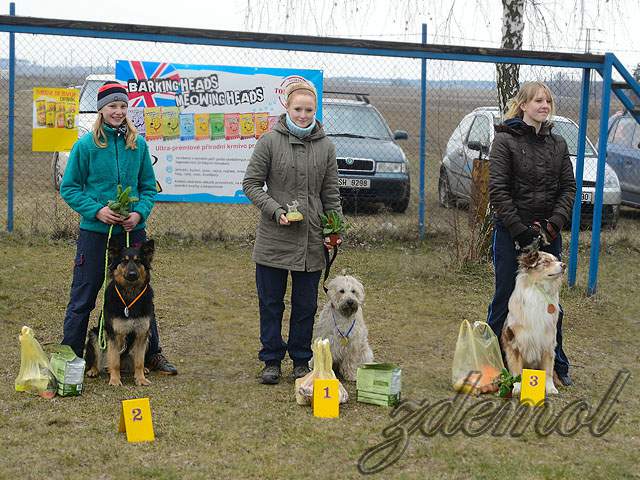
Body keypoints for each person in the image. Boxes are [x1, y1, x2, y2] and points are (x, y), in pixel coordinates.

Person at [60, 81, 177, 375]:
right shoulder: (85, 145)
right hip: (95, 234)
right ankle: (69, 356)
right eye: (113, 106)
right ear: (101, 109)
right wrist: (97, 210)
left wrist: (138, 214)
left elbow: (149, 188)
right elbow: (70, 188)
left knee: (141, 292)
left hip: (131, 233)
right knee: (84, 294)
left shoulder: (137, 145)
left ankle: (152, 353)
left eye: (123, 106)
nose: (118, 111)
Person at [242, 80, 342, 384]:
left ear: (316, 109)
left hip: (311, 239)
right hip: (274, 238)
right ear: (286, 107)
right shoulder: (269, 141)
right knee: (271, 303)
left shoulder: (326, 146)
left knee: (305, 305)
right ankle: (271, 359)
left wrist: (334, 229)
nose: (302, 114)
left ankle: (301, 359)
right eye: (297, 109)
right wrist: (275, 210)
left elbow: (331, 193)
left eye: (308, 109)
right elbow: (251, 184)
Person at [487, 81, 576, 386]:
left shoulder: (558, 144)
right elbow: (497, 191)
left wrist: (553, 224)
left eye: (548, 101)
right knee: (505, 298)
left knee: (552, 303)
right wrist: (521, 232)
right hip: (512, 232)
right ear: (523, 105)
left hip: (549, 235)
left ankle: (556, 366)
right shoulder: (504, 141)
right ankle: (493, 363)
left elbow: (569, 188)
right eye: (538, 100)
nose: (544, 105)